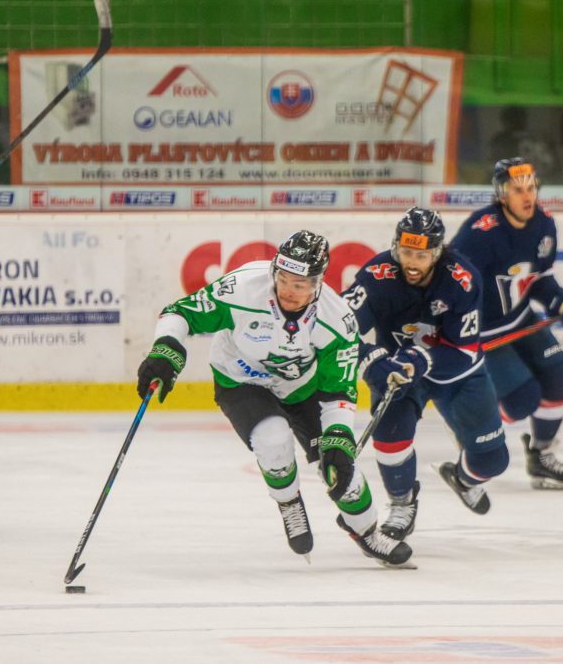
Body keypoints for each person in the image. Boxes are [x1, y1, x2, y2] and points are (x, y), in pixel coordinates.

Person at [136, 231, 413, 567]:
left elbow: (338, 389)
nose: (288, 291)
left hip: (305, 388)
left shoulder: (337, 320)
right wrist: (166, 349)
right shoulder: (241, 288)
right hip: (240, 380)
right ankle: (289, 502)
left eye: (300, 284)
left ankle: (367, 531)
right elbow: (181, 313)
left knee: (342, 469)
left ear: (318, 284)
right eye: (283, 279)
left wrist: (338, 438)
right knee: (273, 439)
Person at [341, 208, 508, 541]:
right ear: (395, 247)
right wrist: (370, 360)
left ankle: (463, 479)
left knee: (492, 461)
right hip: (397, 372)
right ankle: (402, 504)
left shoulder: (462, 279)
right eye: (405, 252)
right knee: (389, 438)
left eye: (421, 254)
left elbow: (463, 351)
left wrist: (421, 358)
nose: (412, 262)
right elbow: (338, 329)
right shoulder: (377, 275)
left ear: (437, 251)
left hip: (456, 374)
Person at [450, 158, 563, 490]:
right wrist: (455, 334)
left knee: (558, 378)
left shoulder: (544, 223)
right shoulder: (480, 233)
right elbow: (450, 284)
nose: (527, 197)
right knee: (521, 399)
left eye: (531, 188)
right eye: (517, 190)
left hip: (521, 318)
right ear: (502, 194)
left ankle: (541, 458)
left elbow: (538, 278)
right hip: (482, 332)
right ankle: (470, 428)